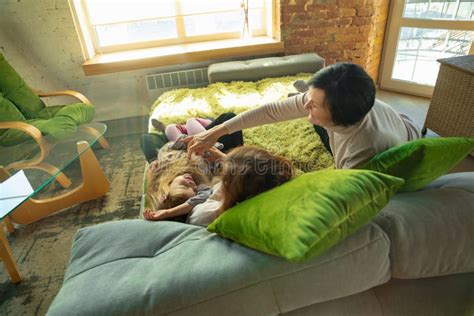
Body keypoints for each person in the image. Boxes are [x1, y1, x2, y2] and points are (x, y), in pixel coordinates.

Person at [184, 63, 421, 170]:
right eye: (309, 95)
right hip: (392, 120)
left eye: (314, 103)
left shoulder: (363, 153)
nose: (306, 104)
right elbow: (271, 111)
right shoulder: (346, 103)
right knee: (304, 111)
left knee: (314, 122)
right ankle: (303, 91)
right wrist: (214, 132)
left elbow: (338, 194)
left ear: (337, 118)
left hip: (395, 137)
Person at [144, 146, 295, 226]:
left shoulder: (203, 214)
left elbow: (197, 200)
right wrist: (227, 159)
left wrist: (154, 182)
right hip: (185, 165)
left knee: (149, 142)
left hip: (176, 170)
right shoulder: (243, 189)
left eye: (225, 176)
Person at [140, 112, 243, 163]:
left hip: (181, 153)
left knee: (164, 131)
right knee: (229, 117)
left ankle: (176, 137)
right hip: (219, 149)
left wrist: (156, 163)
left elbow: (147, 139)